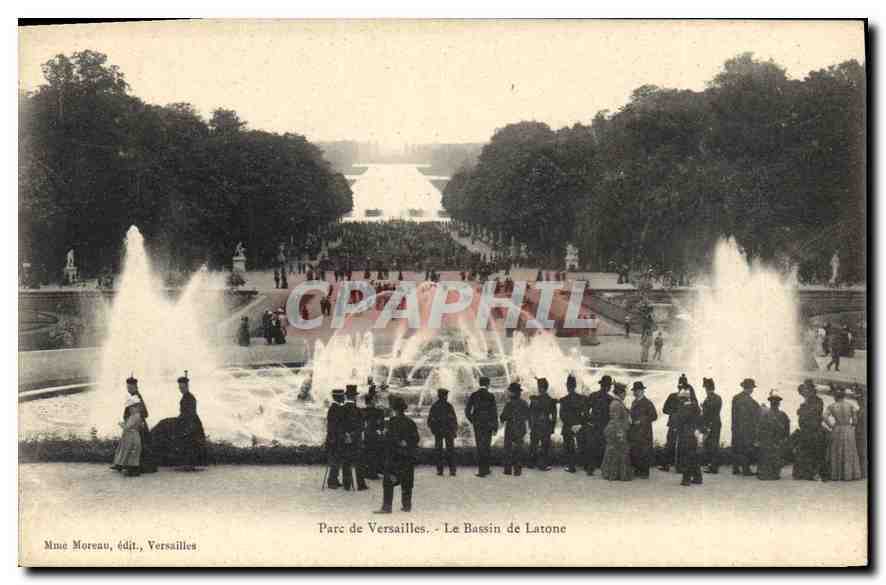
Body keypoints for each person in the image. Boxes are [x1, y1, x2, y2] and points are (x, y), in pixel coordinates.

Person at [376, 396, 419, 513]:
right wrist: (407, 443)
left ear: (394, 409)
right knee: (407, 482)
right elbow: (416, 439)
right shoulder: (410, 422)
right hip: (408, 457)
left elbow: (388, 440)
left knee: (388, 480)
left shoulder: (392, 422)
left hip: (395, 457)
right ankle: (406, 506)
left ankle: (387, 507)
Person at [823, 386, 863, 481]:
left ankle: (837, 474)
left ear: (835, 396)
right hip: (848, 429)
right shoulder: (850, 405)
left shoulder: (832, 406)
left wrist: (831, 426)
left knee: (837, 450)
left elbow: (824, 417)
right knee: (848, 450)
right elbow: (855, 420)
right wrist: (852, 425)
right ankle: (849, 474)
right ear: (844, 396)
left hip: (837, 428)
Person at [111, 376, 146, 477]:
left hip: (135, 425)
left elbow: (144, 412)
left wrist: (134, 420)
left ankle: (126, 465)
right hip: (131, 423)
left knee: (131, 446)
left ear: (135, 386)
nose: (129, 389)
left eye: (131, 387)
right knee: (126, 443)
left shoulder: (137, 397)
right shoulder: (131, 397)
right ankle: (121, 464)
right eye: (128, 387)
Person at [793, 380, 827, 481]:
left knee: (812, 451)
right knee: (806, 451)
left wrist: (802, 410)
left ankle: (811, 473)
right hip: (806, 429)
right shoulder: (809, 400)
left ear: (812, 390)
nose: (804, 393)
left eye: (807, 390)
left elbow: (814, 412)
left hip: (813, 429)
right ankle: (805, 473)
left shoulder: (817, 400)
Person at [465, 376, 498, 477]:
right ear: (488, 384)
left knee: (480, 446)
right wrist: (495, 426)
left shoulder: (474, 395)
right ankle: (486, 469)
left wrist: (472, 420)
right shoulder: (490, 396)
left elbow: (467, 410)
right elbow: (494, 412)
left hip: (478, 424)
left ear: (479, 384)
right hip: (488, 424)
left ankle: (481, 470)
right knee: (487, 446)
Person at [173, 371, 207, 471]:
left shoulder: (190, 398)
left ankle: (189, 465)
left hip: (191, 423)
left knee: (190, 443)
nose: (181, 389)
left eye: (182, 387)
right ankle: (187, 464)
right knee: (187, 444)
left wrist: (184, 422)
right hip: (187, 421)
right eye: (179, 387)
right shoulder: (185, 397)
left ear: (187, 386)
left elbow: (190, 412)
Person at [672, 383, 704, 486]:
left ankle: (686, 479)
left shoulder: (683, 408)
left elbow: (680, 421)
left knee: (686, 457)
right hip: (694, 434)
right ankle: (697, 477)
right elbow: (700, 420)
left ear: (683, 398)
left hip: (685, 435)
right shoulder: (695, 406)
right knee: (693, 456)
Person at [601, 383, 633, 481]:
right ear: (620, 393)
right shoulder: (616, 404)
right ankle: (615, 474)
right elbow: (616, 419)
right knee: (618, 452)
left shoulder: (617, 402)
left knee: (615, 452)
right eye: (624, 393)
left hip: (615, 429)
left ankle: (612, 474)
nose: (625, 395)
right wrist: (620, 433)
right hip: (616, 430)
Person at [756, 392, 790, 480]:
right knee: (771, 456)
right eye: (774, 402)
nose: (775, 404)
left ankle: (769, 473)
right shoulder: (780, 414)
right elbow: (786, 429)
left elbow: (760, 428)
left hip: (771, 440)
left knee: (770, 456)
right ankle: (770, 473)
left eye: (775, 402)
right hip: (772, 440)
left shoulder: (767, 414)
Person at [340, 385, 368, 491]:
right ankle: (361, 485)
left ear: (346, 396)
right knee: (359, 462)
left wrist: (346, 435)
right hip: (356, 440)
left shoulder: (341, 410)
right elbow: (361, 427)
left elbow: (339, 425)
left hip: (344, 439)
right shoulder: (358, 411)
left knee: (346, 462)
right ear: (355, 397)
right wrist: (352, 435)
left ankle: (346, 484)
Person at [584, 375, 613, 475]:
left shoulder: (593, 395)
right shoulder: (610, 399)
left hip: (594, 425)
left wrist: (589, 421)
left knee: (592, 447)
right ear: (608, 386)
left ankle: (590, 468)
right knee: (603, 447)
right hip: (604, 425)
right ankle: (601, 468)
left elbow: (585, 410)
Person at [500, 382, 530, 476]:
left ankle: (507, 470)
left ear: (513, 393)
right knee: (519, 449)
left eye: (510, 392)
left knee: (508, 449)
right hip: (520, 428)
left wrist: (503, 419)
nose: (509, 393)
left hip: (510, 428)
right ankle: (517, 470)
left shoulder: (509, 403)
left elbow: (503, 417)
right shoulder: (524, 403)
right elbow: (528, 415)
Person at [732, 378, 761, 476]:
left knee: (736, 446)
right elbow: (756, 412)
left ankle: (735, 468)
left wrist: (733, 426)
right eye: (752, 388)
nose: (753, 390)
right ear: (749, 388)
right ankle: (746, 469)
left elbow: (733, 414)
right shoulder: (750, 400)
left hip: (736, 426)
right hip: (747, 428)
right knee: (746, 448)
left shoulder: (736, 397)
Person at [558, 374, 587, 473]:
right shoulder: (582, 398)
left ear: (567, 386)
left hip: (568, 427)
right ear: (575, 386)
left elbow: (562, 415)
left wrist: (571, 425)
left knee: (569, 448)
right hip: (580, 426)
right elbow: (585, 414)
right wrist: (579, 424)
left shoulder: (563, 400)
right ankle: (586, 465)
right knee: (582, 446)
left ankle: (571, 467)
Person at [628, 381, 657, 478]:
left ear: (642, 391)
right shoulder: (634, 402)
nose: (636, 392)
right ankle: (638, 470)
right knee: (636, 450)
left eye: (638, 390)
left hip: (645, 431)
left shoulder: (648, 403)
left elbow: (654, 416)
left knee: (644, 451)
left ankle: (645, 472)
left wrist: (641, 421)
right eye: (635, 391)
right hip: (635, 431)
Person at [427, 388, 458, 476]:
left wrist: (434, 430)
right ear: (444, 396)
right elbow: (454, 419)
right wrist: (454, 430)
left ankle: (440, 470)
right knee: (450, 451)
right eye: (446, 395)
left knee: (439, 451)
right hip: (448, 431)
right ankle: (452, 470)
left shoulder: (435, 406)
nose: (446, 397)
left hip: (439, 432)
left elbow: (429, 421)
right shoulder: (448, 406)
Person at [528, 378, 556, 471]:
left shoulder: (534, 400)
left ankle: (531, 463)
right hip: (545, 425)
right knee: (544, 446)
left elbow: (530, 414)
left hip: (536, 425)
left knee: (534, 445)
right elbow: (554, 416)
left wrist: (531, 425)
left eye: (539, 387)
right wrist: (552, 428)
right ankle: (543, 465)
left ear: (540, 388)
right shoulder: (551, 400)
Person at [658, 379, 684, 472]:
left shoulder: (673, 396)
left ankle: (667, 465)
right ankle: (677, 466)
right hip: (679, 424)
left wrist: (673, 413)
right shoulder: (688, 397)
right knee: (675, 444)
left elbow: (665, 409)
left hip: (675, 423)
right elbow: (665, 409)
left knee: (672, 444)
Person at [362, 387, 386, 480]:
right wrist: (380, 430)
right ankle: (374, 471)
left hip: (367, 434)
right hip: (374, 434)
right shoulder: (378, 411)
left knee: (369, 453)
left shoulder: (364, 411)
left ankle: (370, 471)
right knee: (375, 453)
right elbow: (380, 424)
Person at [701, 377, 722, 474]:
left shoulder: (714, 398)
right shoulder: (713, 397)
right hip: (713, 423)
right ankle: (711, 465)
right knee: (709, 444)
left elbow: (711, 410)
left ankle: (713, 466)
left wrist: (704, 406)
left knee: (712, 445)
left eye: (706, 388)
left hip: (713, 424)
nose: (706, 390)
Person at [325, 389, 345, 489]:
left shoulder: (334, 408)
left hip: (335, 438)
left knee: (337, 460)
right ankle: (332, 481)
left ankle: (334, 479)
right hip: (334, 439)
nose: (344, 398)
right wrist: (332, 438)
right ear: (339, 397)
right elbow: (331, 426)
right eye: (342, 396)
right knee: (335, 460)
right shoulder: (335, 409)